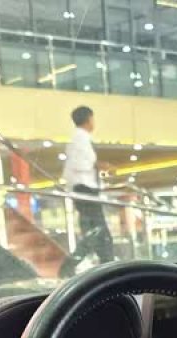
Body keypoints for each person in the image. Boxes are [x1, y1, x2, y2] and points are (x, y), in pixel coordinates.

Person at [62, 105, 115, 266]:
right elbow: (79, 164)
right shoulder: (80, 138)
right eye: (93, 118)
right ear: (88, 119)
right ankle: (72, 264)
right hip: (85, 190)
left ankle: (105, 264)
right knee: (98, 232)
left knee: (96, 233)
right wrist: (100, 165)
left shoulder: (80, 138)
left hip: (84, 189)